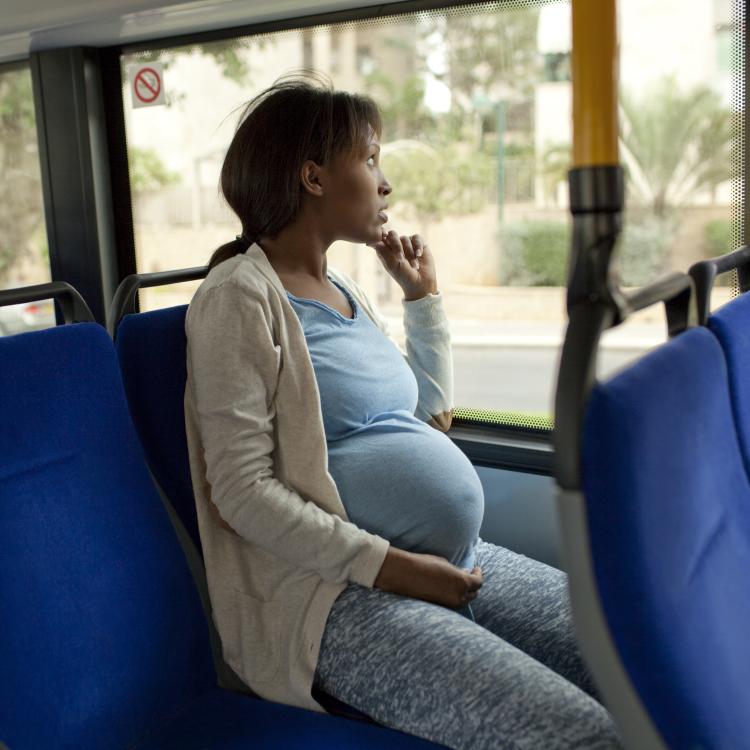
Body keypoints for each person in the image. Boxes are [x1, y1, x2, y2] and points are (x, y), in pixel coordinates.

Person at [184, 73, 622, 749]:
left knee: (629, 654)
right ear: (313, 177)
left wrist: (422, 301)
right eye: (370, 159)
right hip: (334, 598)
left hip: (445, 559)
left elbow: (428, 418)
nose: (384, 182)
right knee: (577, 736)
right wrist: (395, 567)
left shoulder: (346, 288)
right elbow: (240, 494)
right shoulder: (238, 298)